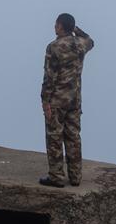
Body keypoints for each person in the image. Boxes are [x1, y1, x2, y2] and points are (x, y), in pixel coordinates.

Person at [40, 13, 94, 187]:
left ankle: (56, 177)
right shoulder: (81, 44)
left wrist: (45, 100)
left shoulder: (54, 47)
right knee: (73, 137)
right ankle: (75, 176)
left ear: (61, 26)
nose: (54, 26)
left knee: (55, 138)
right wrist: (75, 29)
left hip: (56, 100)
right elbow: (90, 39)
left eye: (57, 24)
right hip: (74, 100)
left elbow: (49, 77)